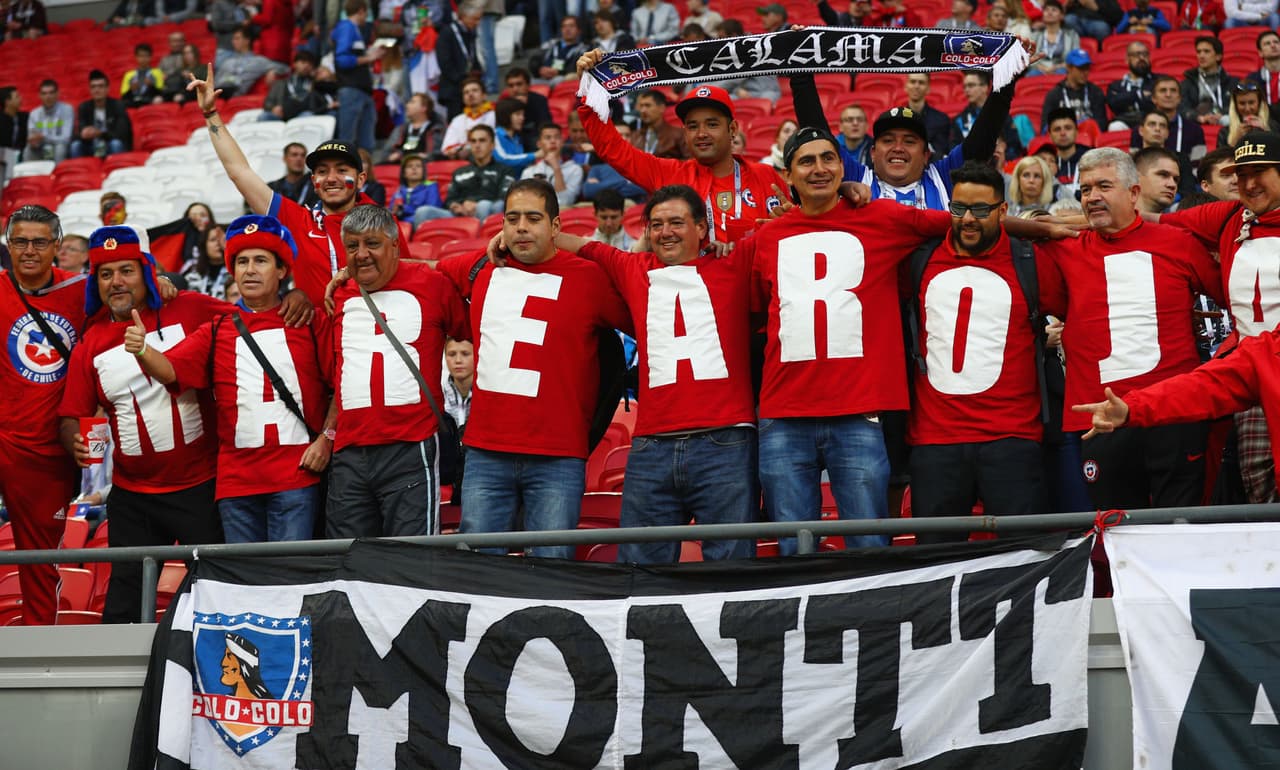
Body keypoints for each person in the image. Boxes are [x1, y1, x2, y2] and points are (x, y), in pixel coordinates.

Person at [741, 126, 955, 555]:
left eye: (828, 159)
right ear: (788, 175)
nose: (819, 169)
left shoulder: (882, 218)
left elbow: (968, 222)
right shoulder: (764, 238)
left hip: (858, 412)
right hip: (784, 413)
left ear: (843, 167)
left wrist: (1056, 227)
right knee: (794, 551)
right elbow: (755, 311)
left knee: (869, 548)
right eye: (807, 161)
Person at [537, 184, 756, 563]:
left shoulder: (734, 264)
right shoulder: (632, 268)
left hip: (725, 442)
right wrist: (505, 239)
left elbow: (789, 226)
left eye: (676, 222)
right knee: (639, 573)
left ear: (702, 228)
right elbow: (577, 245)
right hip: (652, 447)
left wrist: (853, 186)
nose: (665, 232)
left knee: (731, 570)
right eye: (656, 224)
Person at [436, 179, 629, 559]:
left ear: (555, 226)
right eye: (512, 219)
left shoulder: (589, 277)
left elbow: (643, 312)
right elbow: (424, 273)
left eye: (533, 218)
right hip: (485, 452)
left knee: (552, 570)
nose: (521, 227)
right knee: (475, 571)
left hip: (558, 454)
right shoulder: (481, 268)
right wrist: (351, 274)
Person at [1035, 147, 1223, 510]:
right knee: (1116, 531)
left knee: (1179, 527)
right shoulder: (1062, 250)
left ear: (1134, 193)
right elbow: (1009, 227)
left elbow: (1230, 297)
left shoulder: (1179, 243)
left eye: (1103, 186)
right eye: (1085, 189)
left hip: (1174, 412)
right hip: (1102, 418)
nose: (1092, 196)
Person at [58, 226, 229, 623]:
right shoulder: (90, 344)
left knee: (218, 591)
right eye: (105, 274)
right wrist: (74, 442)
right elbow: (71, 416)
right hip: (133, 496)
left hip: (202, 485)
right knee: (124, 603)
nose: (116, 281)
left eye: (126, 271)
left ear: (147, 271)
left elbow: (252, 319)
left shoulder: (189, 308)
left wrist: (294, 298)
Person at [126, 215, 333, 543]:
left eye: (261, 261)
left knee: (291, 571)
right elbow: (170, 370)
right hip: (236, 484)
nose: (250, 270)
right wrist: (142, 349)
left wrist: (327, 438)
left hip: (297, 479)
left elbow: (341, 387)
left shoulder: (308, 320)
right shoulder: (217, 328)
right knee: (241, 575)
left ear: (282, 270)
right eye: (242, 262)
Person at [907, 161, 1048, 543]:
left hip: (1012, 439)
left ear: (1003, 211)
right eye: (958, 208)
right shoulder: (920, 258)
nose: (968, 219)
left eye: (981, 210)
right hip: (935, 442)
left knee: (1023, 558)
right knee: (934, 564)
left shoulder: (1030, 261)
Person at [193, 65, 411, 306]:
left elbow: (407, 282)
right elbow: (239, 172)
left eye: (342, 170)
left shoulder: (382, 224)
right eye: (322, 172)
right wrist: (211, 114)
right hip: (318, 330)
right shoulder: (298, 221)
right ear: (314, 182)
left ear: (361, 179)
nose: (331, 178)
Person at [1155, 131, 1280, 503]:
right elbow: (1146, 222)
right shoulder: (1229, 217)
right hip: (1247, 374)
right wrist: (1039, 226)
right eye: (1241, 175)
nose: (1249, 184)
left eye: (1260, 172)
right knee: (1255, 483)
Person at [328, 205, 468, 537]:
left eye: (372, 243)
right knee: (347, 557)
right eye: (352, 246)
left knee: (411, 557)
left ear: (394, 246)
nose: (361, 254)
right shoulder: (338, 293)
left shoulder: (432, 284)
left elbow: (472, 332)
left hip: (411, 445)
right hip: (348, 452)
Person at [577, 55, 785, 245]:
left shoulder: (765, 177)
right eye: (692, 126)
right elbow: (613, 149)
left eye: (712, 124)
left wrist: (790, 222)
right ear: (685, 133)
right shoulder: (670, 175)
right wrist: (591, 90)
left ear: (732, 129)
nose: (701, 133)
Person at [0, 207, 88, 625]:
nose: (29, 250)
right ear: (8, 246)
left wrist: (159, 283)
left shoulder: (84, 291)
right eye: (20, 242)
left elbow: (136, 294)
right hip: (5, 435)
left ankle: (41, 651)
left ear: (57, 245)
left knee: (39, 563)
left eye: (39, 242)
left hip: (46, 452)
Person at [331, 0, 385, 152]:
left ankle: (364, 166)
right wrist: (369, 58)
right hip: (351, 88)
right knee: (348, 140)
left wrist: (369, 54)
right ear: (361, 11)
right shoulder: (347, 27)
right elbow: (342, 60)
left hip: (362, 89)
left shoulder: (354, 29)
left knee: (366, 142)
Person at [444, 124, 515, 220]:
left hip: (491, 214)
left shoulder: (505, 171)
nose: (477, 145)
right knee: (425, 211)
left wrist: (476, 204)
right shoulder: (459, 172)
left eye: (482, 140)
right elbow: (449, 199)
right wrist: (456, 206)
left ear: (492, 145)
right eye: (473, 141)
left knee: (484, 205)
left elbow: (504, 198)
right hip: (461, 214)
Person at [950, 71, 1025, 157]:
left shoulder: (1000, 114)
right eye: (965, 86)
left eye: (971, 85)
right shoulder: (959, 120)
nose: (966, 90)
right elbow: (955, 151)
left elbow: (1014, 146)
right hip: (970, 164)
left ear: (985, 87)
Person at [1041, 48, 1108, 131]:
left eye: (1087, 68)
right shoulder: (1055, 94)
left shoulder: (1095, 92)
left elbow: (1101, 125)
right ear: (1069, 67)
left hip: (1089, 135)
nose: (1085, 72)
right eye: (1081, 68)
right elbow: (1045, 128)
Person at [435, 1, 481, 120]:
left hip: (468, 84)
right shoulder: (447, 32)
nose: (477, 23)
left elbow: (472, 55)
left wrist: (477, 71)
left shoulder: (470, 32)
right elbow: (444, 62)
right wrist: (461, 79)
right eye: (475, 19)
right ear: (463, 17)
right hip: (453, 89)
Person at [521, 122, 583, 208]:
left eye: (557, 137)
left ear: (562, 142)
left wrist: (556, 168)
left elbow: (565, 202)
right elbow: (524, 203)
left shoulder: (575, 170)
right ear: (539, 144)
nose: (553, 141)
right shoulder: (528, 172)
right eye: (548, 138)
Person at [72, 70, 131, 159]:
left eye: (100, 86)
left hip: (110, 144)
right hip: (91, 145)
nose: (97, 90)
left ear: (107, 89)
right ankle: (79, 168)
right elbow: (80, 131)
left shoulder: (118, 106)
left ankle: (117, 166)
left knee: (116, 144)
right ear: (90, 90)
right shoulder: (84, 107)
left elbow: (121, 133)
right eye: (93, 87)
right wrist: (84, 133)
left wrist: (100, 133)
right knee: (76, 145)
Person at [1180, 36, 1236, 127]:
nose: (1201, 56)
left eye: (1206, 51)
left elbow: (1237, 106)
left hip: (1226, 125)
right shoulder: (1187, 83)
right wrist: (1198, 117)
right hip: (1196, 126)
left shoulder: (1232, 82)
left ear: (1218, 56)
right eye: (1198, 52)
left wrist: (1220, 114)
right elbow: (1182, 108)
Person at [214, 28, 288, 97]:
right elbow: (215, 82)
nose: (233, 42)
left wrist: (273, 70)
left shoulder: (258, 61)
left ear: (247, 41)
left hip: (234, 92)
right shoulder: (227, 62)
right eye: (233, 39)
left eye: (237, 38)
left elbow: (285, 68)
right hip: (218, 92)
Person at [261, 51, 331, 122]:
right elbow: (267, 103)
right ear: (295, 64)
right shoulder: (281, 83)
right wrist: (273, 108)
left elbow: (325, 98)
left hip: (302, 113)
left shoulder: (315, 83)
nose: (306, 66)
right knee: (264, 116)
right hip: (282, 114)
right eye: (303, 62)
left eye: (310, 64)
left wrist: (315, 80)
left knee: (308, 115)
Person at [1105, 41, 1158, 131]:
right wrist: (1138, 94)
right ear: (1127, 59)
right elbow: (1114, 103)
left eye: (1145, 54)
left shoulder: (1158, 81)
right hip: (1125, 122)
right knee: (1114, 127)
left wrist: (1125, 98)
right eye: (1137, 55)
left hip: (1153, 121)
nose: (1142, 58)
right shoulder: (1116, 86)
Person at [441, 78, 494, 159]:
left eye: (475, 90)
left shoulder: (494, 115)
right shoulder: (457, 120)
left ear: (484, 95)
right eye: (466, 92)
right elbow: (446, 148)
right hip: (461, 161)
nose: (470, 94)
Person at [382, 92, 443, 163]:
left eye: (412, 102)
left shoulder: (436, 128)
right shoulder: (401, 129)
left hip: (426, 165)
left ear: (424, 108)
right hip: (400, 165)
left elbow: (438, 154)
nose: (407, 105)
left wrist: (427, 156)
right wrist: (396, 155)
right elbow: (386, 153)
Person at [1218, 81, 1280, 149]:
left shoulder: (1274, 127)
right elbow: (1220, 155)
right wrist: (1235, 141)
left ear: (1259, 103)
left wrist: (1266, 132)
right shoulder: (1224, 133)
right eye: (1242, 103)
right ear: (1235, 105)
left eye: (1251, 103)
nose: (1247, 109)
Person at [503, 68, 553, 150]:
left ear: (528, 85)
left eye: (519, 84)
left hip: (534, 138)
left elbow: (545, 125)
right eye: (511, 86)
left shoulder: (539, 100)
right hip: (512, 138)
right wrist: (515, 106)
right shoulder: (503, 104)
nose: (515, 89)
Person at [25, 79, 73, 163]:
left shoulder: (67, 110)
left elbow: (66, 138)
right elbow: (32, 136)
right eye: (44, 93)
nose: (48, 97)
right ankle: (30, 171)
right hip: (41, 147)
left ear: (57, 94)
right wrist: (33, 141)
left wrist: (44, 137)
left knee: (60, 148)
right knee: (28, 149)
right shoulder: (34, 114)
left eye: (51, 93)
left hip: (59, 146)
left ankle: (58, 171)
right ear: (39, 95)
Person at [630, 89, 686, 161]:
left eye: (648, 105)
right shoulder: (635, 136)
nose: (643, 110)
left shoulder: (678, 134)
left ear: (662, 108)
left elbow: (689, 161)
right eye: (641, 106)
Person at [530, 15, 587, 85]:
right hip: (542, 77)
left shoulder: (583, 49)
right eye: (564, 26)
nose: (567, 29)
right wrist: (539, 69)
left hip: (563, 79)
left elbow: (578, 69)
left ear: (579, 30)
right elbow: (534, 60)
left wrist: (558, 72)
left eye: (571, 26)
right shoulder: (550, 44)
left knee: (558, 80)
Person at [1030, 1, 1081, 76]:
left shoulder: (1072, 35)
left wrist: (1057, 67)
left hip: (1062, 68)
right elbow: (1029, 57)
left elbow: (1074, 57)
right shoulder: (1034, 35)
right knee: (1032, 74)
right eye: (1046, 10)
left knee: (1062, 73)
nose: (1049, 12)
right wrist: (1042, 68)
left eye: (1054, 10)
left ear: (1062, 16)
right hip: (1039, 69)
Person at [392, 154, 445, 224]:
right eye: (409, 166)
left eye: (418, 166)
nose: (414, 168)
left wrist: (405, 210)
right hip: (405, 223)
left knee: (423, 211)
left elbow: (430, 210)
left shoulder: (431, 186)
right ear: (404, 173)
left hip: (425, 222)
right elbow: (393, 211)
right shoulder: (399, 191)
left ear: (423, 172)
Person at [267, 142, 322, 209]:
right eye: (294, 155)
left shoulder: (315, 186)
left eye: (303, 155)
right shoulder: (273, 188)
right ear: (285, 158)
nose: (299, 159)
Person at [491, 97, 538, 173]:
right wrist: (535, 155)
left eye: (523, 114)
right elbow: (503, 159)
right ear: (505, 115)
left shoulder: (517, 138)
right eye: (518, 114)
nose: (522, 118)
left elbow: (519, 161)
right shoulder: (494, 135)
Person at [1134, 145, 1182, 213]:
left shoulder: (1178, 220)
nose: (1172, 185)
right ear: (1136, 177)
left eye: (1176, 179)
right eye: (1163, 175)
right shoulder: (1117, 218)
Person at [120, 43, 165, 108]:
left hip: (150, 101)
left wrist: (151, 86)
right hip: (134, 101)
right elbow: (123, 96)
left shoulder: (157, 73)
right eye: (141, 56)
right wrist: (131, 89)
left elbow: (161, 93)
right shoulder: (128, 75)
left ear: (151, 57)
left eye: (146, 56)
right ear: (136, 57)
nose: (143, 59)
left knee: (158, 99)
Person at [443, 337, 474, 429]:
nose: (458, 360)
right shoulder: (437, 396)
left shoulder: (488, 395)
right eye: (452, 354)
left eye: (465, 354)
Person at [1245, 30, 1280, 106]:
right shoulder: (1252, 79)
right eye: (1267, 43)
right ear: (1260, 53)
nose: (1273, 45)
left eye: (1276, 42)